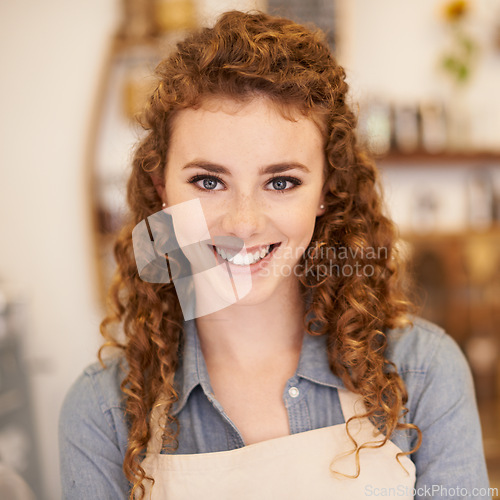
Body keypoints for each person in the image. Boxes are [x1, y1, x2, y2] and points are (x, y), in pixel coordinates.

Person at [59, 10, 491, 500]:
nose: (244, 224)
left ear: (326, 190)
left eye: (281, 182)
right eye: (208, 181)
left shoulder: (423, 371)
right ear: (163, 192)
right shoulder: (101, 413)